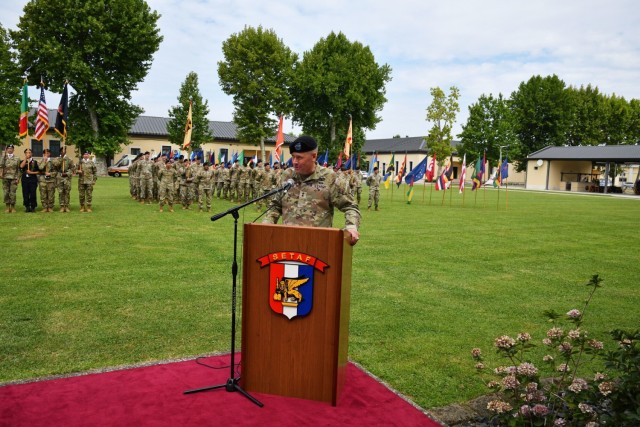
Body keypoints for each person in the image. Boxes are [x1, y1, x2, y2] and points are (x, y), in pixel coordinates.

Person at [262, 135, 360, 246]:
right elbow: (275, 205)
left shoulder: (330, 178)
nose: (294, 161)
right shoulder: (287, 176)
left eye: (299, 157)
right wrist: (267, 223)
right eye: (293, 157)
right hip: (287, 242)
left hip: (317, 244)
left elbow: (350, 206)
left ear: (313, 156)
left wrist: (351, 227)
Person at [1, 144, 21, 213]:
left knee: (13, 193)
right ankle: (7, 207)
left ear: (13, 150)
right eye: (8, 148)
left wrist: (18, 178)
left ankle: (12, 207)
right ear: (6, 150)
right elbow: (1, 167)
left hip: (14, 178)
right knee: (6, 192)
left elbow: (18, 169)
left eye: (11, 148)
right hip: (5, 177)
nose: (10, 149)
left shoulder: (17, 158)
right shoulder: (3, 158)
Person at [54, 146, 75, 212]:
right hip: (59, 177)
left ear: (65, 151)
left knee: (67, 192)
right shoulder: (57, 159)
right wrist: (61, 159)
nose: (63, 152)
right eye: (62, 151)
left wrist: (67, 173)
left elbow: (73, 168)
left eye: (64, 150)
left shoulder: (69, 159)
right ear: (60, 151)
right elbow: (55, 165)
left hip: (66, 177)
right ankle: (62, 206)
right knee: (60, 192)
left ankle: (67, 206)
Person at [38, 148, 57, 212]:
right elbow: (40, 168)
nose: (47, 154)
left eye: (48, 153)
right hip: (42, 180)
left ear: (50, 154)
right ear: (43, 154)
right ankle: (44, 207)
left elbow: (56, 171)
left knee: (51, 194)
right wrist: (44, 161)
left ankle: (50, 207)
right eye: (45, 153)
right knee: (43, 194)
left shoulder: (53, 161)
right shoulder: (40, 161)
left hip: (51, 181)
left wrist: (50, 174)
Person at [19, 148, 39, 212]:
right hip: (25, 180)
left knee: (33, 193)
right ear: (25, 154)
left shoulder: (35, 162)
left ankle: (33, 207)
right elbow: (21, 166)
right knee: (25, 193)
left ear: (32, 153)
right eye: (27, 152)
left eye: (29, 152)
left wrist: (31, 173)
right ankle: (27, 206)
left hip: (33, 180)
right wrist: (26, 158)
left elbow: (39, 172)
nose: (28, 154)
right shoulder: (22, 161)